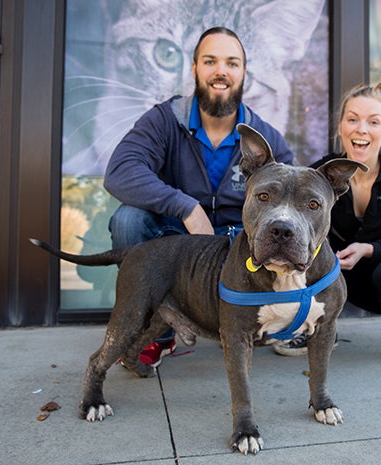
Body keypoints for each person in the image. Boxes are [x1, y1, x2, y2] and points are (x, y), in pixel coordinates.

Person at [104, 26, 294, 368]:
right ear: (194, 69)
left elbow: (293, 203)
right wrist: (186, 206)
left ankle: (258, 321)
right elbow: (120, 172)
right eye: (210, 61)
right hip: (180, 245)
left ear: (243, 73)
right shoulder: (164, 120)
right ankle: (155, 332)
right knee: (128, 220)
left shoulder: (263, 137)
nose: (221, 71)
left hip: (239, 251)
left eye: (231, 63)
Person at [274, 82, 381, 362]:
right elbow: (306, 231)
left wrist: (368, 249)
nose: (361, 129)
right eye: (352, 119)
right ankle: (318, 328)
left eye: (373, 122)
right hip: (349, 280)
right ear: (340, 127)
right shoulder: (323, 174)